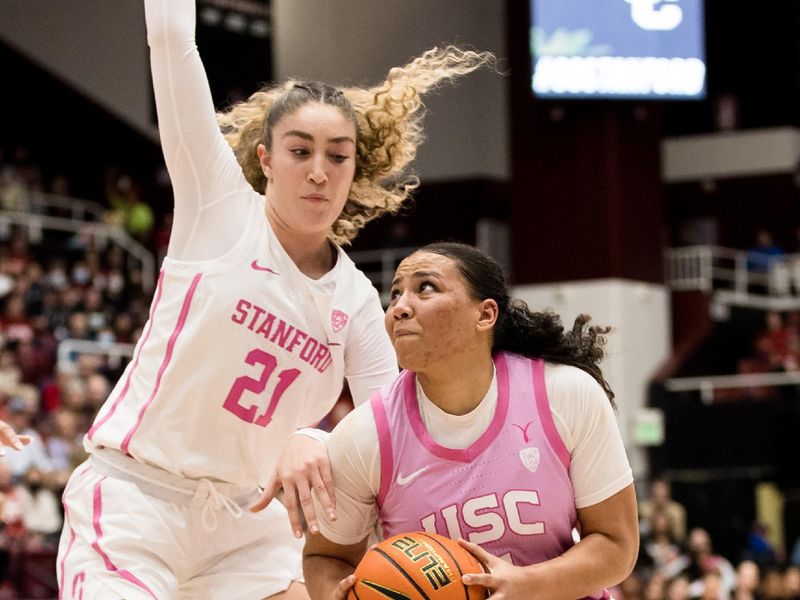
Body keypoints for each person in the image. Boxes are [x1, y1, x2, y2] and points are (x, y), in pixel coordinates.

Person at [55, 1, 493, 598]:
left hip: (249, 525)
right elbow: (168, 36)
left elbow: (392, 438)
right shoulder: (219, 208)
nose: (319, 171)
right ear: (265, 159)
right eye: (300, 151)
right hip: (138, 498)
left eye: (338, 155)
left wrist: (315, 439)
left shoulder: (359, 305)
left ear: (354, 168)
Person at [302, 242, 639, 599]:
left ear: (485, 315)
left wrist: (529, 584)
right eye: (396, 293)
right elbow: (326, 555)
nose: (399, 307)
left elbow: (616, 545)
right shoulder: (365, 433)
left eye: (425, 288)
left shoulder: (565, 393)